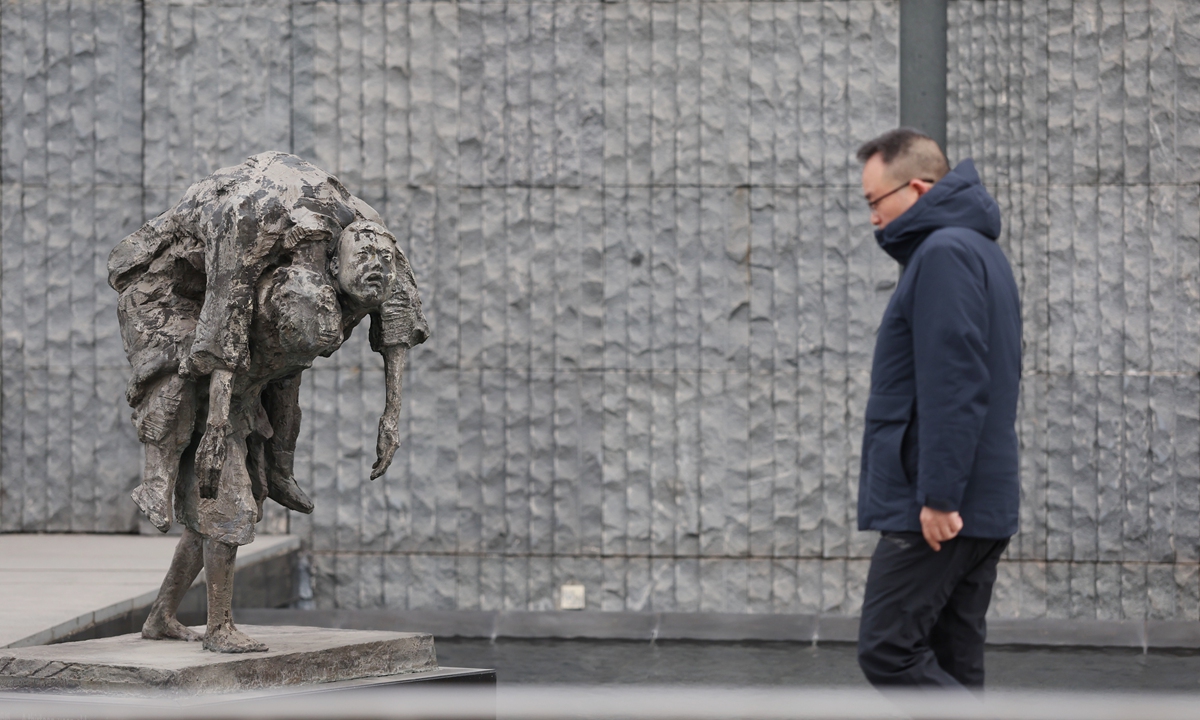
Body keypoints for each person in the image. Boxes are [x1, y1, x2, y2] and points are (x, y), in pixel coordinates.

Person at [108, 153, 429, 652]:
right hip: (173, 298)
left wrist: (392, 417)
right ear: (331, 266)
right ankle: (213, 615)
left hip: (253, 359)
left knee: (229, 499)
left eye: (382, 261)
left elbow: (399, 310)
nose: (377, 267)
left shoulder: (373, 245)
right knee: (225, 495)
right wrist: (218, 428)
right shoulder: (249, 223)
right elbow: (222, 310)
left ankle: (161, 615)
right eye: (366, 261)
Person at [853, 128, 1021, 689]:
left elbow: (956, 382)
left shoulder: (944, 254)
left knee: (888, 650)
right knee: (953, 663)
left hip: (940, 506)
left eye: (875, 200)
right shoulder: (978, 250)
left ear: (918, 189)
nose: (873, 217)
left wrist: (940, 495)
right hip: (978, 501)